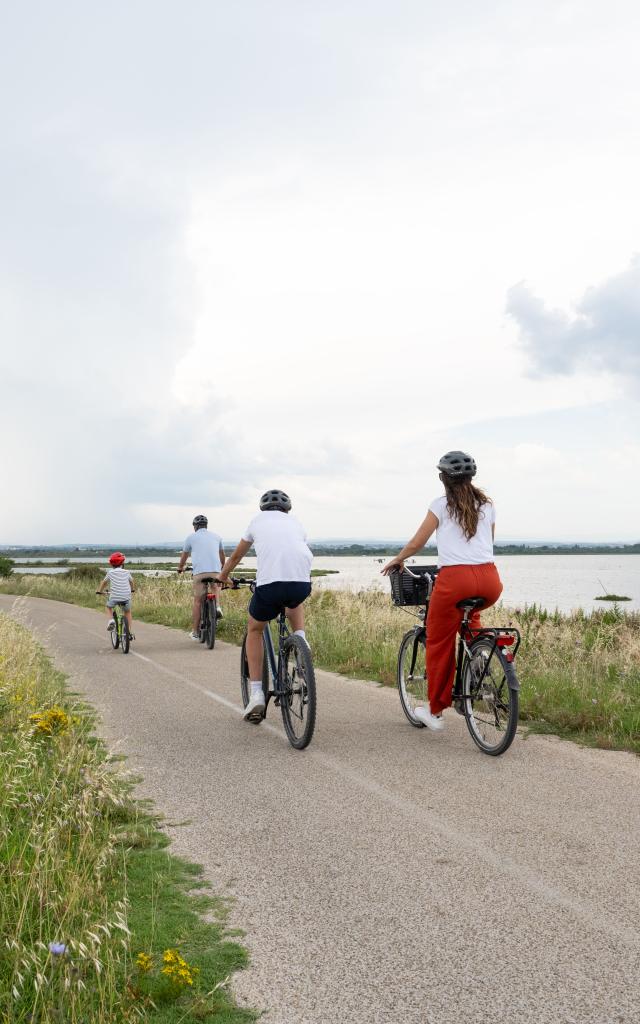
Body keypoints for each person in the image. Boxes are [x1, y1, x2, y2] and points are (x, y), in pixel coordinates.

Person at [382, 451, 502, 731]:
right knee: (471, 621)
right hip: (489, 579)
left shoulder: (440, 505)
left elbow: (417, 543)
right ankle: (478, 660)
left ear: (442, 478)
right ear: (472, 477)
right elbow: (488, 544)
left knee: (438, 640)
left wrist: (398, 559)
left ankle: (435, 711)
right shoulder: (487, 505)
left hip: (454, 580)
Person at [216, 489, 312, 721]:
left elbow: (236, 556)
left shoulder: (256, 522)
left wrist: (222, 577)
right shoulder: (296, 523)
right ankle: (301, 643)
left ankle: (257, 694)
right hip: (301, 583)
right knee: (293, 600)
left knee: (255, 629)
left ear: (263, 508)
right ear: (287, 508)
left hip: (270, 586)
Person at [177, 515, 226, 640]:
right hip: (216, 571)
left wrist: (180, 568)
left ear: (195, 527)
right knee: (215, 587)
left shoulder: (190, 537)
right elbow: (222, 556)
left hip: (199, 573)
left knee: (198, 602)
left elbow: (184, 556)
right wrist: (222, 568)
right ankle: (218, 607)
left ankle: (195, 632)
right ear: (206, 525)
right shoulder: (217, 536)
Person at [96, 552, 136, 637]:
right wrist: (132, 589)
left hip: (114, 597)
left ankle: (111, 621)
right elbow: (132, 581)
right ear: (122, 563)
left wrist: (99, 591)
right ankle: (128, 632)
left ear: (112, 564)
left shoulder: (110, 572)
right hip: (126, 596)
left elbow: (104, 582)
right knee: (127, 612)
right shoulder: (127, 572)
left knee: (108, 607)